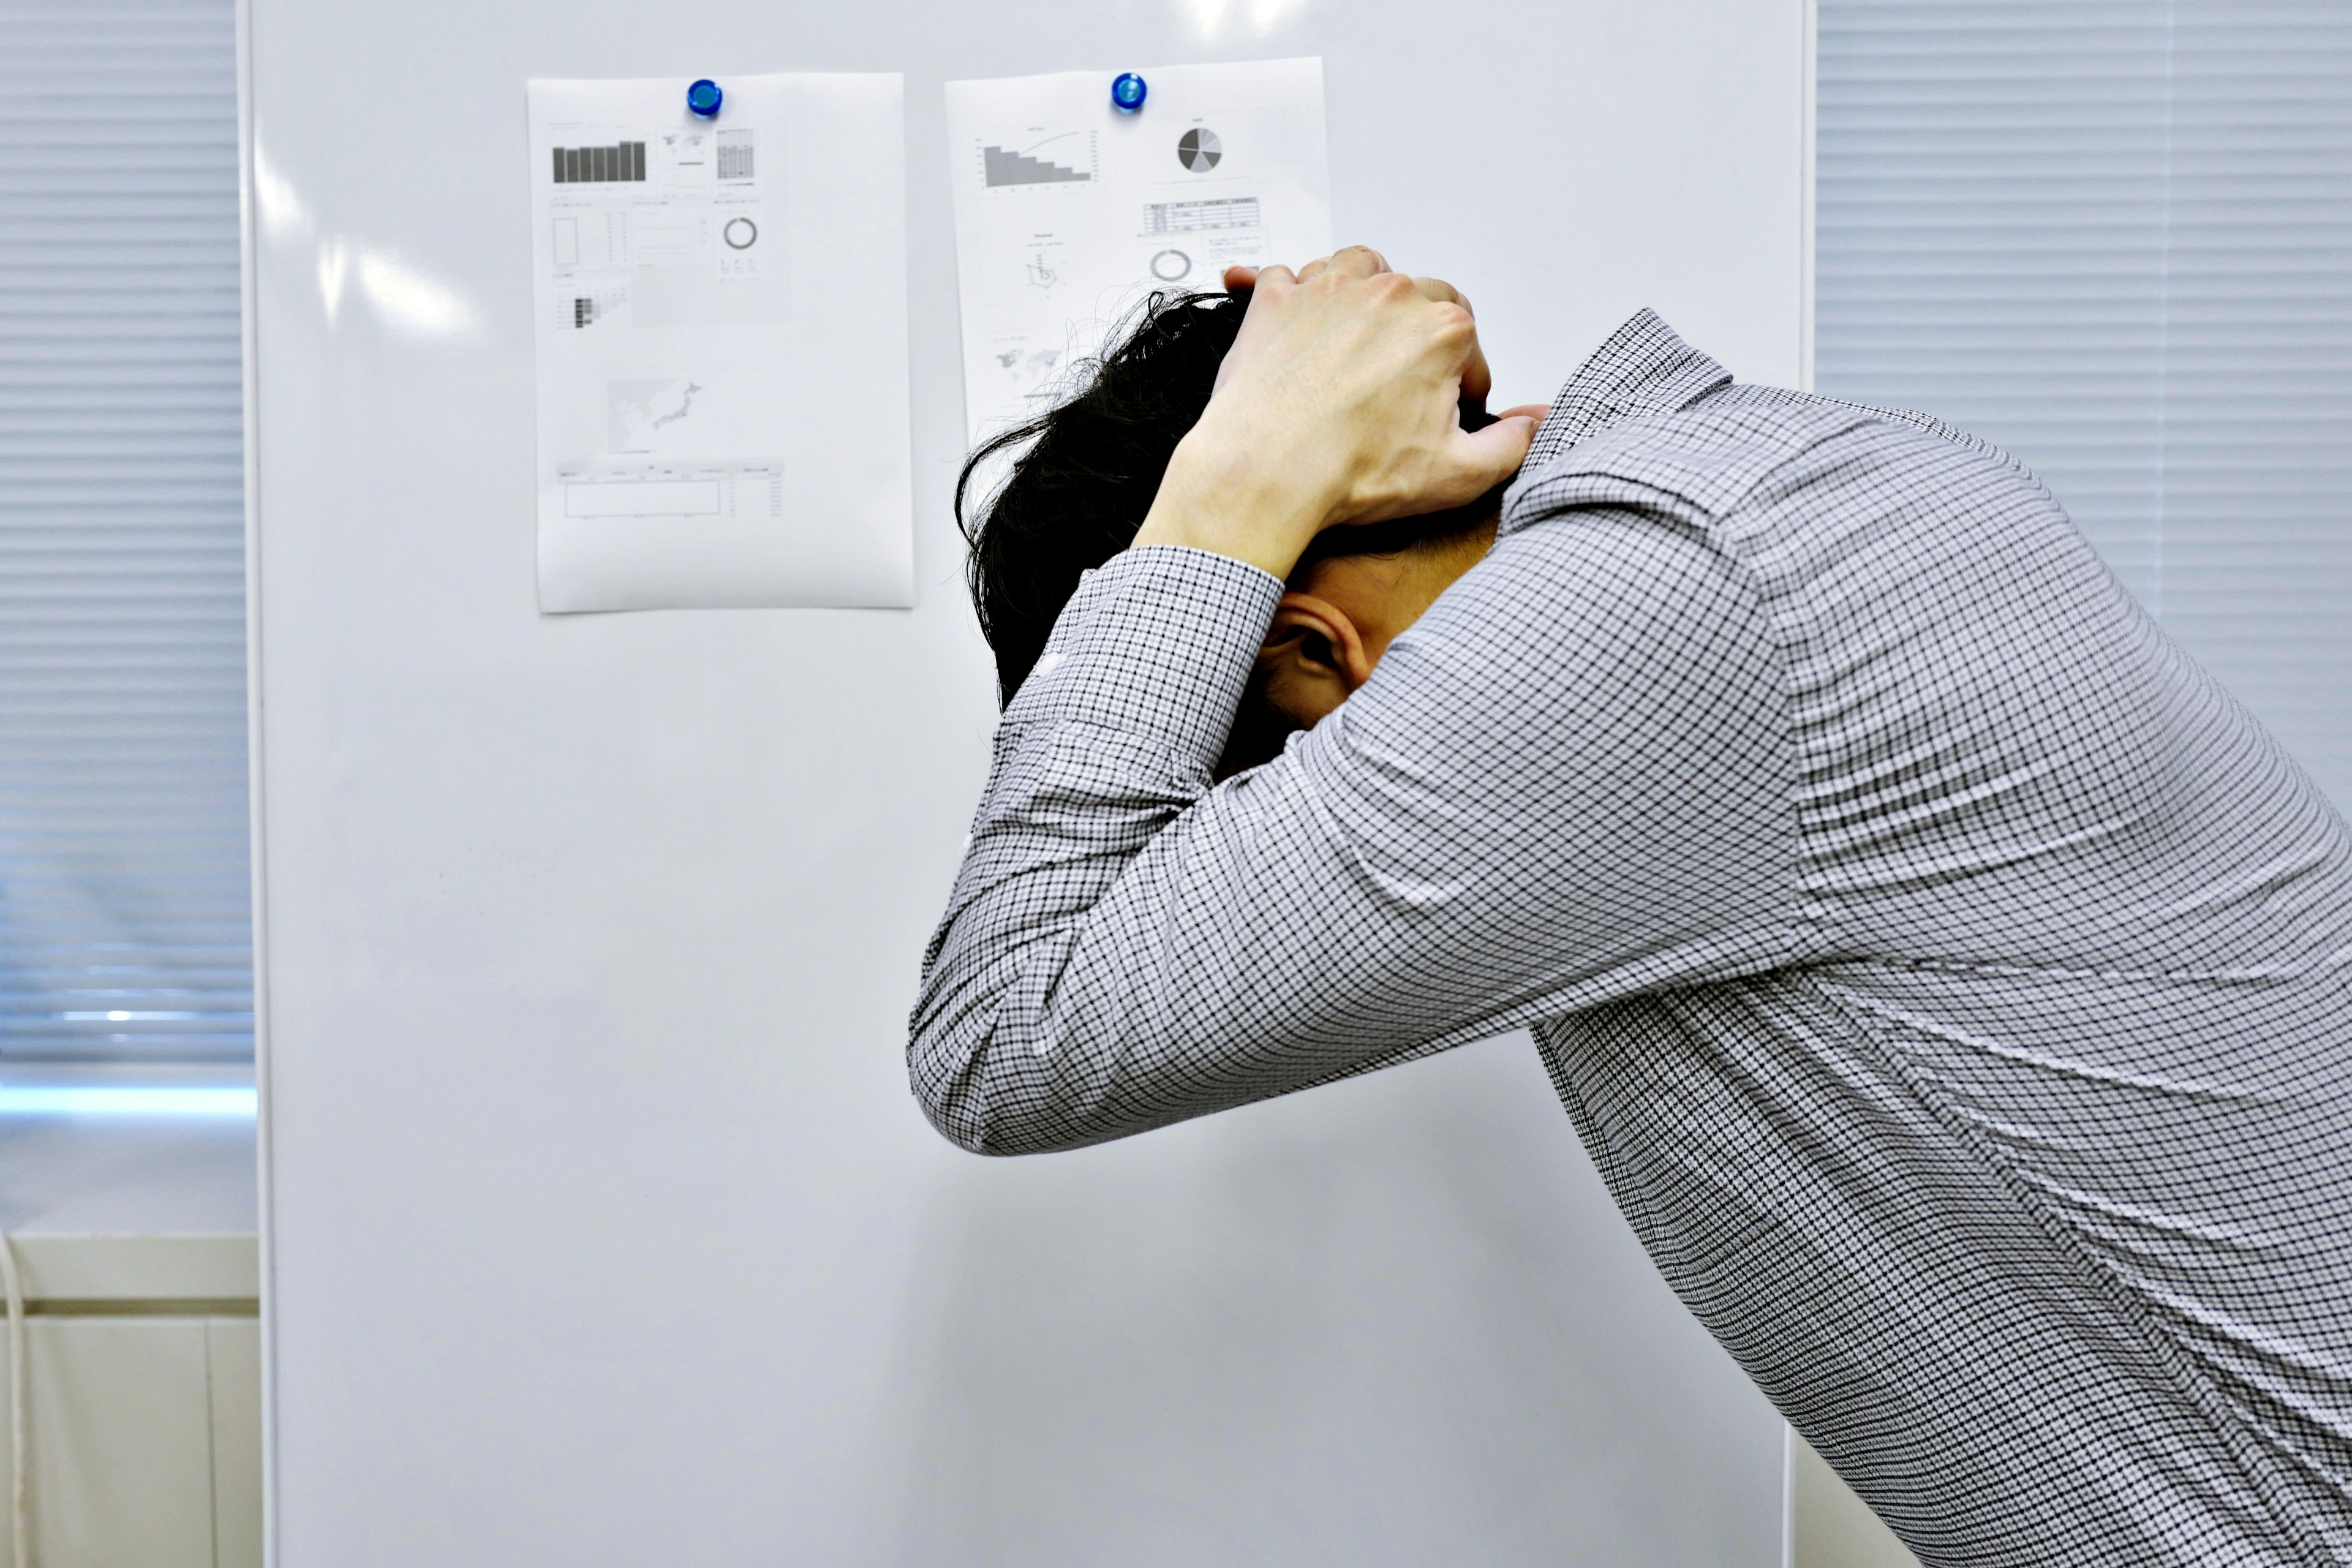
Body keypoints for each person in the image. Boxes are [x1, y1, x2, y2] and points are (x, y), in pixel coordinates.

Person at [910, 247, 2352, 1566]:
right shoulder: (1749, 488)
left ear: (1308, 651)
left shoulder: (1642, 600)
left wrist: (1230, 488)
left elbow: (1004, 1035)